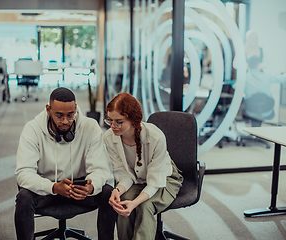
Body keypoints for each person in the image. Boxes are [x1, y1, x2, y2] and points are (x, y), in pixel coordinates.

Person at [14, 87, 116, 240]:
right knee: (24, 198)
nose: (65, 121)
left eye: (70, 115)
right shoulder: (32, 129)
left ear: (75, 108)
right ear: (48, 110)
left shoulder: (90, 127)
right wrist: (54, 187)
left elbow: (101, 169)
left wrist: (91, 186)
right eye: (59, 116)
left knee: (108, 192)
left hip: (79, 189)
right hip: (47, 189)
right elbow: (23, 173)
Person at [103, 92, 183, 240]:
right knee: (122, 203)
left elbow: (154, 182)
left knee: (145, 207)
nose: (113, 126)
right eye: (110, 120)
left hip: (164, 178)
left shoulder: (155, 137)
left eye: (119, 122)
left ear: (134, 120)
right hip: (137, 180)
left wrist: (135, 202)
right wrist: (117, 190)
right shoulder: (109, 137)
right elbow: (124, 174)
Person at [243, 56, 286, 125]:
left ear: (248, 65)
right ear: (259, 65)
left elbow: (235, 87)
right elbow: (283, 79)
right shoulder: (267, 76)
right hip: (267, 110)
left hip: (250, 111)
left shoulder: (245, 77)